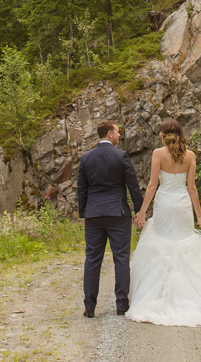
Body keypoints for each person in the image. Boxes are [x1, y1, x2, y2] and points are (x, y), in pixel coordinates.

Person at [125, 119, 201, 326]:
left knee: (162, 242)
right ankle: (194, 296)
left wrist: (142, 212)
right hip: (182, 203)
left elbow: (153, 185)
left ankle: (158, 295)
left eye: (161, 133)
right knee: (184, 242)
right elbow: (192, 188)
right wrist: (200, 216)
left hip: (165, 203)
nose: (159, 135)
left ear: (164, 134)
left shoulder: (158, 154)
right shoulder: (190, 155)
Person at [75, 120, 143, 317]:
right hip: (117, 213)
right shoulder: (121, 156)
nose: (120, 135)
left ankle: (89, 306)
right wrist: (139, 211)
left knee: (92, 259)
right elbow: (132, 185)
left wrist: (84, 212)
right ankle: (122, 304)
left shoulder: (86, 158)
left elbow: (82, 189)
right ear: (109, 134)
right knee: (121, 258)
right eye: (117, 131)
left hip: (94, 214)